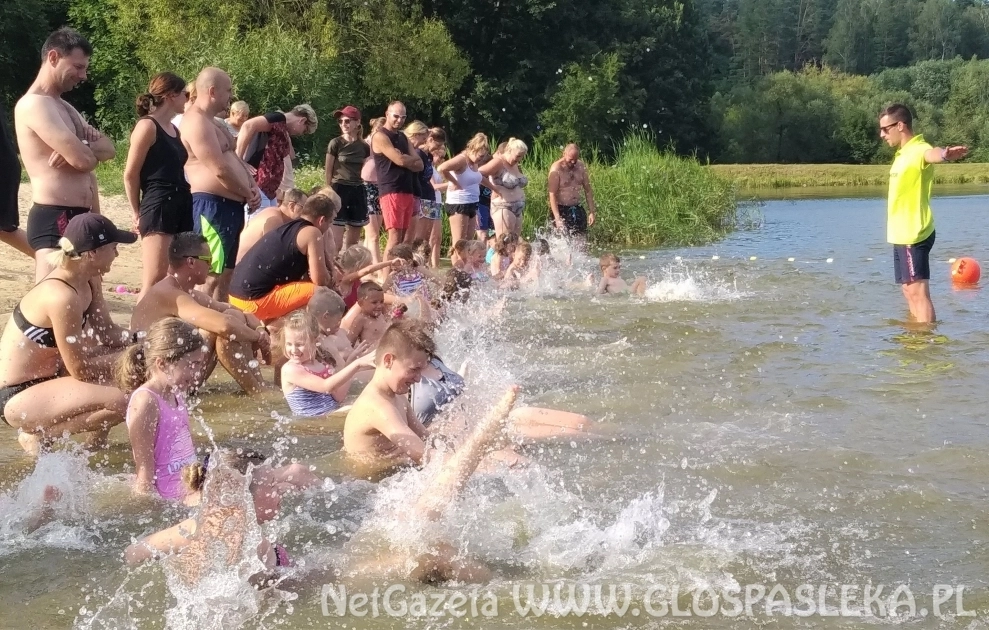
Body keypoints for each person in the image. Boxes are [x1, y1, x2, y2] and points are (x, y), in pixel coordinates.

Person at [0, 214, 134, 455]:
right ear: (92, 253)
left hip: (51, 379)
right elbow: (80, 369)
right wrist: (136, 356)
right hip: (17, 396)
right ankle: (39, 436)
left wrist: (147, 339)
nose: (117, 254)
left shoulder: (90, 279)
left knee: (128, 376)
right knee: (125, 400)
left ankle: (94, 450)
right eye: (114, 248)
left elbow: (109, 334)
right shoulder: (62, 296)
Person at [123, 448, 321, 581]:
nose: (279, 489)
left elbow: (132, 553)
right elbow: (133, 553)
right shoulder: (249, 543)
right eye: (271, 484)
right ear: (240, 497)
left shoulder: (198, 527)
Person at [15, 27, 117, 282]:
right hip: (55, 214)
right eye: (78, 67)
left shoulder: (65, 107)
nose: (83, 76)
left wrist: (81, 145)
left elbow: (109, 148)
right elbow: (81, 161)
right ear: (53, 57)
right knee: (53, 294)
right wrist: (82, 152)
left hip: (81, 213)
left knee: (87, 297)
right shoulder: (34, 104)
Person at [129, 232, 270, 394]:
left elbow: (241, 312)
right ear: (191, 262)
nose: (211, 266)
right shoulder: (169, 293)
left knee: (233, 315)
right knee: (218, 329)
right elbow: (224, 326)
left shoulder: (185, 291)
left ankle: (258, 385)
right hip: (150, 375)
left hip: (169, 367)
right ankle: (257, 391)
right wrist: (258, 338)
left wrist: (260, 329)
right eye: (208, 260)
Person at [878, 104, 968, 324]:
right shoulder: (902, 153)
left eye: (885, 129)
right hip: (900, 235)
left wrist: (945, 155)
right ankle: (915, 338)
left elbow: (932, 154)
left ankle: (927, 343)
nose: (882, 135)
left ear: (900, 125)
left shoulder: (918, 148)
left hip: (914, 233)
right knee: (909, 291)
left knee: (919, 293)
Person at [180, 67, 260, 302]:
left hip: (230, 207)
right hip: (213, 207)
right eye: (228, 91)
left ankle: (217, 335)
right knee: (209, 276)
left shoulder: (213, 122)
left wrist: (251, 185)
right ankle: (198, 332)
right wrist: (248, 192)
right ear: (212, 91)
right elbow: (219, 169)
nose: (230, 97)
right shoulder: (196, 122)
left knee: (225, 275)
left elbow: (232, 159)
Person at [118, 318, 205, 500]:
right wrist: (149, 511)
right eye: (191, 365)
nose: (198, 373)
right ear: (162, 364)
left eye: (199, 364)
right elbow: (144, 471)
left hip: (189, 488)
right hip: (171, 498)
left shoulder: (175, 392)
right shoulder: (145, 401)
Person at [123, 72, 193, 298]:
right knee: (155, 278)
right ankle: (137, 332)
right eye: (186, 94)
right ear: (172, 95)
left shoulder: (174, 129)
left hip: (180, 202)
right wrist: (137, 212)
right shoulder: (147, 126)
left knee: (177, 276)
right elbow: (130, 174)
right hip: (159, 203)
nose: (187, 99)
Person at [228, 193, 337, 323]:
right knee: (320, 294)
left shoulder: (287, 227)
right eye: (330, 222)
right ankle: (292, 332)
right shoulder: (312, 232)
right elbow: (319, 280)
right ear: (322, 220)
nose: (328, 227)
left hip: (235, 296)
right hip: (252, 302)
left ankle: (274, 327)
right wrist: (333, 277)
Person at [342, 319, 434, 468]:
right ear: (388, 360)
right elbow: (424, 456)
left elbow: (424, 436)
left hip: (391, 475)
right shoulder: (377, 407)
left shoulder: (397, 397)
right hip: (369, 486)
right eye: (413, 369)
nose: (418, 378)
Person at [280, 310, 375, 417]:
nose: (293, 349)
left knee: (371, 400)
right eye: (289, 344)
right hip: (312, 424)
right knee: (367, 407)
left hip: (329, 416)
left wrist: (350, 363)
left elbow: (339, 397)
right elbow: (326, 387)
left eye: (299, 344)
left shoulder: (322, 362)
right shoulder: (290, 370)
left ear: (315, 341)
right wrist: (357, 364)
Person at [236, 105, 318, 209]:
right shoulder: (277, 118)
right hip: (258, 185)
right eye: (305, 130)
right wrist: (239, 158)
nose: (301, 134)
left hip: (269, 191)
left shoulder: (283, 128)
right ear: (302, 120)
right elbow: (248, 125)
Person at [371, 102, 423, 259]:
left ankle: (397, 277)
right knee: (394, 238)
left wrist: (405, 158)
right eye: (396, 116)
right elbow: (399, 160)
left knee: (403, 240)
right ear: (387, 114)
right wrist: (406, 159)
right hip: (391, 189)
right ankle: (386, 277)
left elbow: (420, 165)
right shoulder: (380, 136)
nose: (399, 120)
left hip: (407, 190)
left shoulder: (402, 137)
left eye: (403, 117)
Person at [325, 105, 370, 257]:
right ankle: (332, 273)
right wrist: (328, 190)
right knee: (336, 243)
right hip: (339, 188)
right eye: (341, 121)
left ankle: (349, 273)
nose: (343, 124)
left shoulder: (364, 146)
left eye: (347, 121)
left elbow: (365, 168)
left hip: (357, 189)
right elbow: (328, 169)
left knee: (353, 244)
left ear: (357, 123)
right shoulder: (336, 143)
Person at [437, 133, 488, 245]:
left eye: (484, 156)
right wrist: (454, 182)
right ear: (473, 150)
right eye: (480, 156)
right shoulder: (462, 159)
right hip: (459, 203)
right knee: (460, 243)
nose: (482, 159)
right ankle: (457, 262)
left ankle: (466, 263)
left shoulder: (474, 162)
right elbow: (442, 168)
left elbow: (478, 179)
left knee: (468, 243)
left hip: (472, 203)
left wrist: (496, 189)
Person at [236, 188, 307, 263]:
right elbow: (273, 254)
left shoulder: (273, 212)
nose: (306, 213)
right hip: (245, 267)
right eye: (304, 209)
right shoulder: (275, 220)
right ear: (292, 206)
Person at [0, 102, 33, 258]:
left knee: (6, 230)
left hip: (3, 165)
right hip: (6, 163)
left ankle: (64, 266)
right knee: (5, 231)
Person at [480, 138, 528, 238]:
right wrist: (493, 188)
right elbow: (478, 173)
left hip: (518, 209)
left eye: (522, 157)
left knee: (514, 244)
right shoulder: (498, 162)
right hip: (503, 207)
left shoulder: (515, 164)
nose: (519, 160)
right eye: (518, 156)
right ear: (509, 151)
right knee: (504, 244)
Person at [547, 143, 597, 239]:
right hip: (561, 209)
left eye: (576, 159)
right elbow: (552, 194)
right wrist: (557, 218)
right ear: (564, 154)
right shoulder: (556, 168)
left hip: (577, 207)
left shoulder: (581, 166)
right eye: (570, 160)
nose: (573, 162)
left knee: (582, 242)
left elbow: (588, 190)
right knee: (563, 242)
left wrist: (592, 212)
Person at [360, 117, 386, 264]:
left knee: (373, 233)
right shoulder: (366, 144)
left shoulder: (384, 146)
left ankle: (366, 264)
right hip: (366, 185)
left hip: (380, 186)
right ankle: (378, 266)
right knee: (373, 234)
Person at [341, 281, 390, 347]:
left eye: (381, 302)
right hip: (370, 355)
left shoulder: (381, 315)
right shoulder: (361, 319)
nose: (379, 306)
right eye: (374, 302)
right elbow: (349, 343)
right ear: (361, 303)